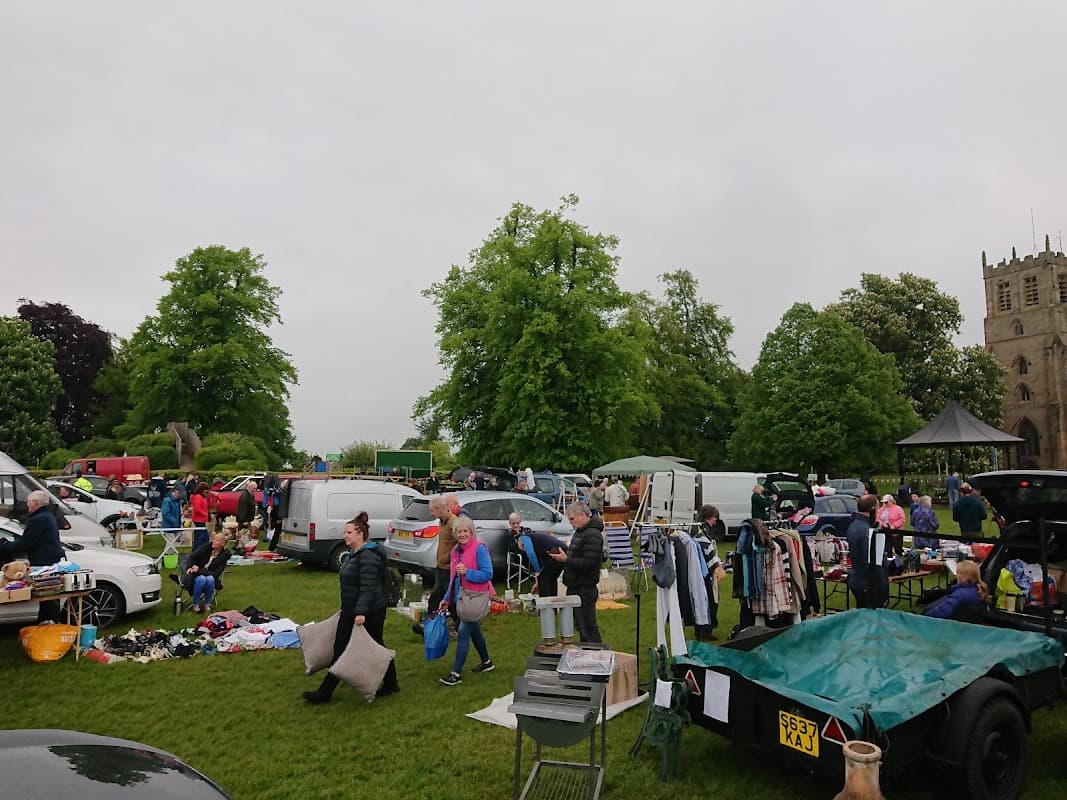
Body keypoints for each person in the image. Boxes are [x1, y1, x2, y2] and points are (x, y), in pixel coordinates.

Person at [303, 512, 399, 703]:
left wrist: (361, 612)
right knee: (355, 646)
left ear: (360, 534)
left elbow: (368, 586)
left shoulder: (368, 557)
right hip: (352, 609)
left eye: (349, 532)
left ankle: (325, 693)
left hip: (368, 611)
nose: (345, 535)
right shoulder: (354, 555)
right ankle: (391, 683)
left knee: (368, 646)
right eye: (345, 532)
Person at [438, 516, 495, 686]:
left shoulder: (479, 548)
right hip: (463, 597)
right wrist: (446, 599)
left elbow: (488, 574)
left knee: (463, 632)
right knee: (474, 631)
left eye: (465, 531)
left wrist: (468, 572)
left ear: (471, 532)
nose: (462, 534)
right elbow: (453, 578)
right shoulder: (456, 551)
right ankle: (487, 662)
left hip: (477, 597)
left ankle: (455, 673)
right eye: (459, 531)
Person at [0, 490, 63, 622]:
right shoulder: (47, 516)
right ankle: (47, 627)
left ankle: (50, 629)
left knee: (48, 602)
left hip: (45, 565)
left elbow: (24, 543)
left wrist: (5, 545)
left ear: (35, 503)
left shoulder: (38, 519)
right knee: (49, 602)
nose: (27, 505)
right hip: (51, 562)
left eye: (28, 502)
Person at [550, 501, 604, 643]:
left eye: (572, 519)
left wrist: (567, 559)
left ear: (582, 515)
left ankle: (596, 656)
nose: (571, 523)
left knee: (588, 627)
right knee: (581, 626)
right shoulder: (581, 532)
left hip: (584, 587)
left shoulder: (592, 534)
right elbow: (578, 556)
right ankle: (588, 655)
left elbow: (591, 563)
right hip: (576, 586)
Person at [507, 512, 566, 598]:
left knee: (543, 580)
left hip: (555, 552)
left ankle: (545, 607)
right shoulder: (535, 539)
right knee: (551, 578)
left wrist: (537, 571)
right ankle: (553, 606)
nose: (525, 550)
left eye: (523, 548)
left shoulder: (524, 538)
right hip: (562, 551)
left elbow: (530, 553)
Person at [422, 495, 458, 632]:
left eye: (432, 510)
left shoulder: (454, 522)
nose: (431, 513)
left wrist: (449, 557)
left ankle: (433, 623)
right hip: (440, 566)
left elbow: (461, 542)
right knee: (439, 595)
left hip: (449, 567)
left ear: (439, 509)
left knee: (442, 596)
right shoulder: (441, 521)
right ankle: (432, 623)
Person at [846, 493, 888, 609]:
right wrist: (883, 586)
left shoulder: (854, 525)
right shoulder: (865, 531)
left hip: (857, 579)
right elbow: (871, 560)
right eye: (878, 508)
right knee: (870, 617)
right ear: (873, 509)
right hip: (867, 582)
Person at [691, 505, 722, 641]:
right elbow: (707, 552)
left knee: (699, 600)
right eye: (715, 518)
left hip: (698, 570)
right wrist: (716, 565)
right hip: (706, 572)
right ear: (709, 517)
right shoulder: (702, 533)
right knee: (710, 600)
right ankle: (706, 630)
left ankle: (699, 629)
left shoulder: (695, 529)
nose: (716, 521)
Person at [182, 533, 230, 613]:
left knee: (210, 578)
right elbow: (192, 556)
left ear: (223, 544)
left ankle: (207, 603)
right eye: (214, 539)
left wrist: (199, 570)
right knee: (201, 579)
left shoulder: (224, 557)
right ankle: (195, 604)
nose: (214, 541)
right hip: (193, 577)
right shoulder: (206, 547)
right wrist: (190, 567)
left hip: (210, 578)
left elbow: (216, 574)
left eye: (217, 541)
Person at [923, 561, 988, 619]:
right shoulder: (978, 589)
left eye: (957, 573)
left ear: (963, 577)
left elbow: (942, 611)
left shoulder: (960, 594)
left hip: (948, 624)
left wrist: (924, 616)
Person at [189, 481, 210, 550]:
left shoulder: (202, 497)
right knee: (200, 538)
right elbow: (196, 508)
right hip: (198, 520)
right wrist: (205, 514)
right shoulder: (198, 497)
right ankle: (196, 552)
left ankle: (201, 551)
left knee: (203, 537)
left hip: (201, 520)